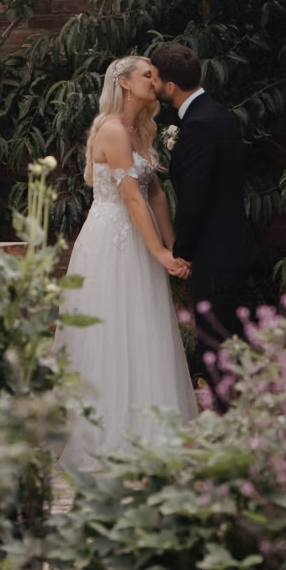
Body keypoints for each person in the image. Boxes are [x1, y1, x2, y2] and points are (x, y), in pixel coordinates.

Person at [56, 55, 197, 470]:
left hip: (142, 233)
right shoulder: (114, 129)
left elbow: (154, 194)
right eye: (147, 75)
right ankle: (110, 436)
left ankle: (151, 428)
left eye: (155, 75)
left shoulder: (142, 129)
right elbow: (132, 196)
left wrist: (174, 246)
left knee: (145, 327)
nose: (156, 81)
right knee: (113, 329)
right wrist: (159, 253)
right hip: (112, 239)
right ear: (124, 84)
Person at [149, 44, 259, 405]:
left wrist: (182, 251)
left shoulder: (196, 126)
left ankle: (229, 425)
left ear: (169, 86)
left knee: (217, 342)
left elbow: (195, 200)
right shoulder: (222, 116)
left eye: (156, 79)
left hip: (213, 251)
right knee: (232, 338)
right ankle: (239, 417)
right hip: (234, 244)